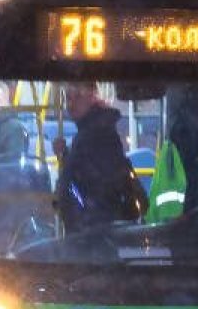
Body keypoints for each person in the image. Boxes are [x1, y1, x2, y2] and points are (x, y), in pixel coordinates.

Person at [54, 83, 147, 232]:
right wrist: (65, 156)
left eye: (77, 96)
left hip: (96, 232)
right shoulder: (92, 132)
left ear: (92, 96)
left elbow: (94, 186)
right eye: (68, 98)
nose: (70, 104)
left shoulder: (97, 134)